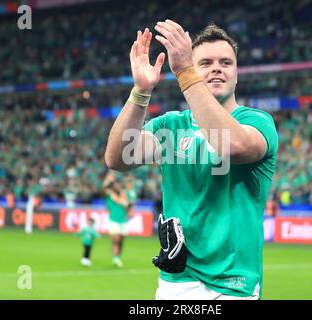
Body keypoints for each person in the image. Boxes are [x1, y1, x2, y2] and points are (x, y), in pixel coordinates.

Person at [105, 21, 278, 300]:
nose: (217, 68)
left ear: (236, 73)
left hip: (232, 285)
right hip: (176, 280)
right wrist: (141, 91)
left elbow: (232, 145)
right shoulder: (171, 126)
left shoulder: (257, 122)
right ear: (194, 70)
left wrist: (186, 72)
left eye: (226, 62)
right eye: (205, 62)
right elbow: (117, 157)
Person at [102, 171, 130, 268]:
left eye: (118, 185)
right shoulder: (109, 195)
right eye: (116, 185)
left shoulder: (123, 196)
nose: (118, 186)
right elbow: (103, 189)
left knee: (121, 240)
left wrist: (128, 210)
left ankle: (118, 257)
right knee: (116, 239)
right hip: (114, 220)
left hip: (123, 220)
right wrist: (107, 180)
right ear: (113, 187)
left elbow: (127, 206)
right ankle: (115, 258)